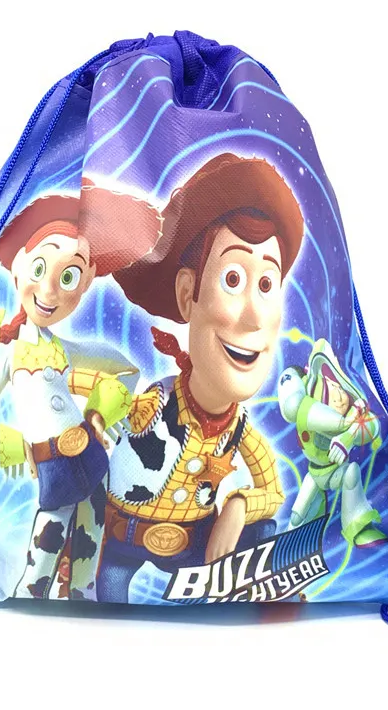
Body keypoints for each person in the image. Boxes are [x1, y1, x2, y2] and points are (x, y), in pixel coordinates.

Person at [98, 153, 305, 602]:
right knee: (105, 601)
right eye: (233, 279)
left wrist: (237, 505)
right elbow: (109, 408)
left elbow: (271, 491)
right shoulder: (154, 404)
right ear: (187, 295)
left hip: (193, 547)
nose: (253, 317)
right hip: (121, 542)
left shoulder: (239, 430)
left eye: (266, 285)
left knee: (263, 532)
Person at [0, 181, 163, 600]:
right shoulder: (11, 355)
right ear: (20, 265)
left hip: (91, 455)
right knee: (41, 560)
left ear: (86, 282)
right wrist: (17, 447)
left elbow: (128, 368)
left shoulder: (65, 348)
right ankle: (29, 609)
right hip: (52, 466)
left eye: (68, 277)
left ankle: (85, 610)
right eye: (40, 270)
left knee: (88, 554)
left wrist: (99, 414)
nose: (49, 292)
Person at [277, 338, 387, 548]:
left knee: (352, 473)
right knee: (297, 515)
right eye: (331, 388)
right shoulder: (305, 404)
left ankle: (357, 527)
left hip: (336, 472)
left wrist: (349, 436)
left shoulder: (353, 415)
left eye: (340, 388)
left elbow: (372, 427)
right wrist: (344, 425)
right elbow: (292, 406)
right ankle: (291, 538)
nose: (339, 397)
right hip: (314, 474)